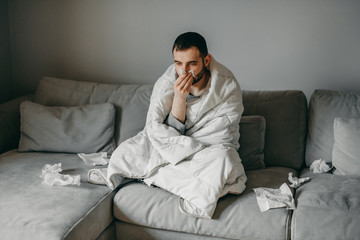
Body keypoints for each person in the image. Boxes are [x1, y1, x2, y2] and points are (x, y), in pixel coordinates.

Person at [102, 32, 247, 219]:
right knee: (126, 151)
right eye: (178, 63)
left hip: (206, 150)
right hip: (171, 147)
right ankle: (184, 181)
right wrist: (180, 97)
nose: (183, 71)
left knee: (224, 160)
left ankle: (153, 175)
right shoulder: (166, 82)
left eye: (191, 64)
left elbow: (221, 135)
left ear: (206, 60)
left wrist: (185, 148)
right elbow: (157, 130)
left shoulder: (226, 86)